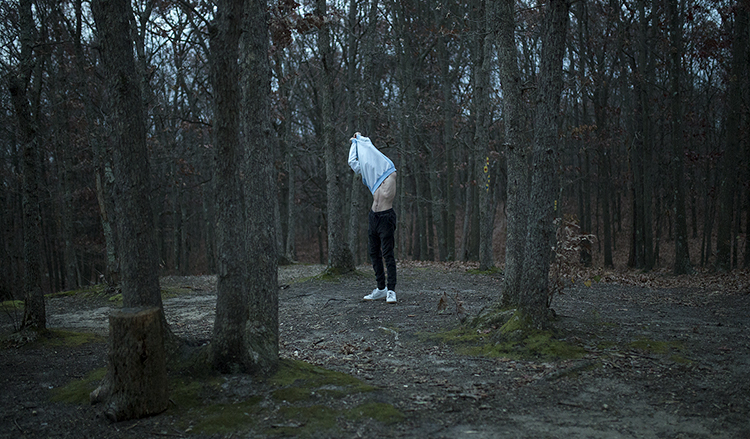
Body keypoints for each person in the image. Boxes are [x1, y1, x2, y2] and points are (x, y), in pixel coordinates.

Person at [348, 132, 398, 303]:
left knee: (387, 254)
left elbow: (373, 153)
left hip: (386, 217)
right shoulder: (371, 176)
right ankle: (381, 288)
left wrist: (362, 140)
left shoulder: (390, 171)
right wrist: (355, 143)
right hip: (373, 217)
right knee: (373, 253)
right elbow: (353, 162)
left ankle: (391, 290)